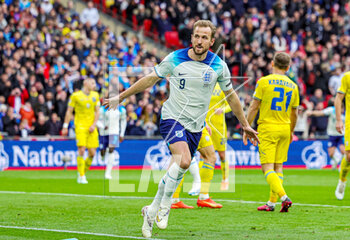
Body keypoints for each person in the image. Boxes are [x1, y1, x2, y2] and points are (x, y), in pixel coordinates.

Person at [104, 20, 259, 238]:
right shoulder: (175, 58)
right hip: (172, 118)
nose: (199, 40)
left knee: (181, 166)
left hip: (196, 126)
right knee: (185, 160)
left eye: (205, 37)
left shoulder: (218, 66)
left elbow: (231, 96)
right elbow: (149, 79)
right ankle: (165, 205)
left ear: (212, 41)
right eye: (197, 36)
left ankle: (151, 209)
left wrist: (245, 125)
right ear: (192, 37)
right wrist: (120, 97)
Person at [244, 52, 299, 212]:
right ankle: (271, 203)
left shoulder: (264, 81)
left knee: (267, 168)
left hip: (268, 127)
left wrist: (247, 126)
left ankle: (284, 197)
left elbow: (254, 106)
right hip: (285, 127)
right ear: (288, 67)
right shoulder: (293, 85)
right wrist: (291, 131)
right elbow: (295, 113)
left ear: (272, 64)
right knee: (278, 166)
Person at [171, 124, 223, 209]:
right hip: (193, 125)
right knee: (209, 157)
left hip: (189, 124)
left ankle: (174, 199)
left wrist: (204, 122)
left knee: (182, 159)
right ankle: (203, 196)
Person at [62, 78, 100, 184]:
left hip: (92, 127)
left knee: (92, 153)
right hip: (80, 126)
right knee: (82, 150)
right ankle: (82, 176)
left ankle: (81, 172)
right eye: (92, 82)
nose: (94, 84)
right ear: (85, 83)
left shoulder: (95, 95)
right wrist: (65, 126)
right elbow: (69, 111)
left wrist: (94, 125)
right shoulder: (75, 96)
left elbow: (97, 112)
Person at [97, 91, 127, 180]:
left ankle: (108, 173)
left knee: (111, 150)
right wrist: (102, 126)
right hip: (103, 133)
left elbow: (123, 121)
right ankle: (102, 154)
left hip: (114, 132)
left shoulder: (121, 110)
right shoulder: (103, 109)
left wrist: (122, 134)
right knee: (102, 151)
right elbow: (97, 120)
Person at [307, 104, 345, 169]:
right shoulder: (331, 110)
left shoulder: (346, 114)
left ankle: (342, 165)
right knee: (331, 154)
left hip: (342, 135)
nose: (341, 111)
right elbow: (320, 113)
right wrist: (311, 113)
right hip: (332, 134)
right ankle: (336, 161)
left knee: (343, 151)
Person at [335, 72, 350, 200]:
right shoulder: (347, 77)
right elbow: (339, 98)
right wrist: (339, 120)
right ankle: (342, 180)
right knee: (349, 156)